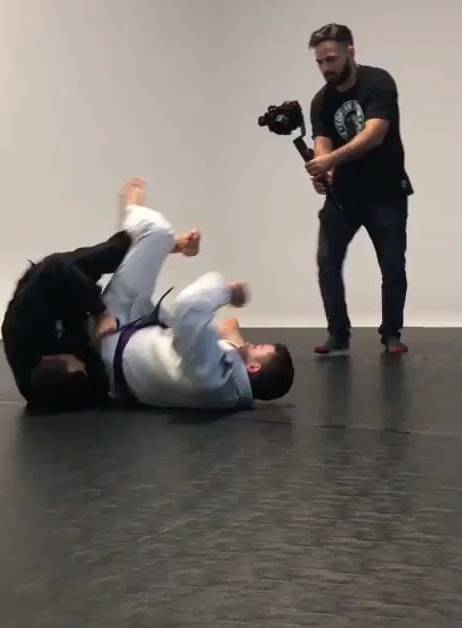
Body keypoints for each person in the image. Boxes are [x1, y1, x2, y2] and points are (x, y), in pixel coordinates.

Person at [1, 183, 202, 412]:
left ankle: (136, 208)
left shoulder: (23, 326)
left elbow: (53, 267)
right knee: (174, 335)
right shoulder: (61, 390)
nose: (83, 366)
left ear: (57, 359)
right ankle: (160, 243)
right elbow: (100, 386)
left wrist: (100, 313)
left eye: (79, 365)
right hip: (78, 329)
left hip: (56, 285)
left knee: (125, 247)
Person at [96, 178, 294, 410]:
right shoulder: (229, 388)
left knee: (156, 231)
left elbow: (189, 305)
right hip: (139, 331)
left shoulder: (211, 374)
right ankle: (175, 245)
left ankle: (136, 210)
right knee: (159, 245)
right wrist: (234, 340)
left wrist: (229, 291)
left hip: (114, 331)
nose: (251, 344)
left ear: (253, 368)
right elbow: (228, 328)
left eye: (257, 348)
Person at [305, 23, 413, 356]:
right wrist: (323, 168)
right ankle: (338, 334)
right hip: (344, 196)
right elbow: (322, 140)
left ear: (350, 51)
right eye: (320, 62)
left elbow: (374, 134)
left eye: (331, 59)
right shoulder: (321, 100)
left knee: (392, 266)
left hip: (386, 192)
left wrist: (330, 160)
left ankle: (391, 334)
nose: (326, 68)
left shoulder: (378, 82)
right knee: (327, 262)